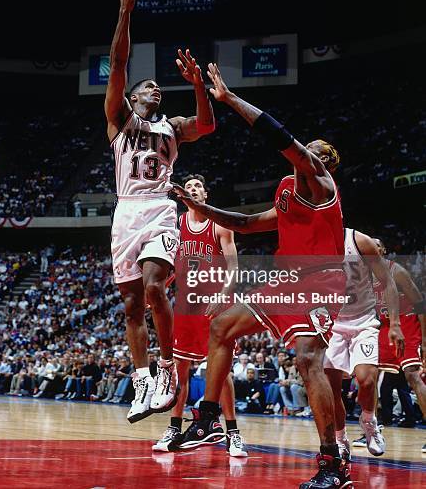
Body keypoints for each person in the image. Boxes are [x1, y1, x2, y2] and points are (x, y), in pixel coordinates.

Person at [171, 62, 395, 487]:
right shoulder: (287, 191)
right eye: (314, 150)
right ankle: (208, 417)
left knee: (309, 361)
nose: (316, 155)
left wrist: (229, 99)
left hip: (321, 281)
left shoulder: (322, 185)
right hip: (286, 282)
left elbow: (276, 134)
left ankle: (334, 464)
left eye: (323, 154)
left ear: (326, 164)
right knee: (221, 326)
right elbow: (248, 222)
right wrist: (201, 209)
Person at [105, 0, 215, 423]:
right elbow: (116, 64)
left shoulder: (173, 128)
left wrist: (197, 86)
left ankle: (167, 367)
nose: (154, 88)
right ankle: (143, 379)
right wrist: (125, 12)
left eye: (157, 86)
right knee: (132, 306)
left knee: (154, 287)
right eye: (146, 86)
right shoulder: (118, 121)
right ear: (132, 98)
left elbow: (207, 125)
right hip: (125, 213)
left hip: (159, 210)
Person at [152, 175, 246, 455]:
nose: (192, 190)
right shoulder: (176, 226)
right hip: (186, 306)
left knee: (222, 372)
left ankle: (232, 433)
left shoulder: (219, 225)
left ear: (205, 195)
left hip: (214, 306)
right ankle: (173, 428)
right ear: (183, 196)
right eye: (189, 187)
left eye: (197, 187)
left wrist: (223, 296)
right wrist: (155, 291)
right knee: (180, 370)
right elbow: (168, 267)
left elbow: (234, 268)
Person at [323, 229, 403, 459]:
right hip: (332, 324)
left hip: (364, 321)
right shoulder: (312, 246)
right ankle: (340, 439)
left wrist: (395, 324)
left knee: (366, 380)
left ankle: (369, 421)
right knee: (331, 389)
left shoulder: (359, 241)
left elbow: (388, 282)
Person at [363, 242, 426, 454]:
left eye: (376, 245)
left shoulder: (397, 271)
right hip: (383, 326)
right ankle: (371, 430)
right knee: (368, 375)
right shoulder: (363, 277)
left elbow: (420, 305)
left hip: (407, 324)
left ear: (382, 250)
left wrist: (424, 340)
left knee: (413, 376)